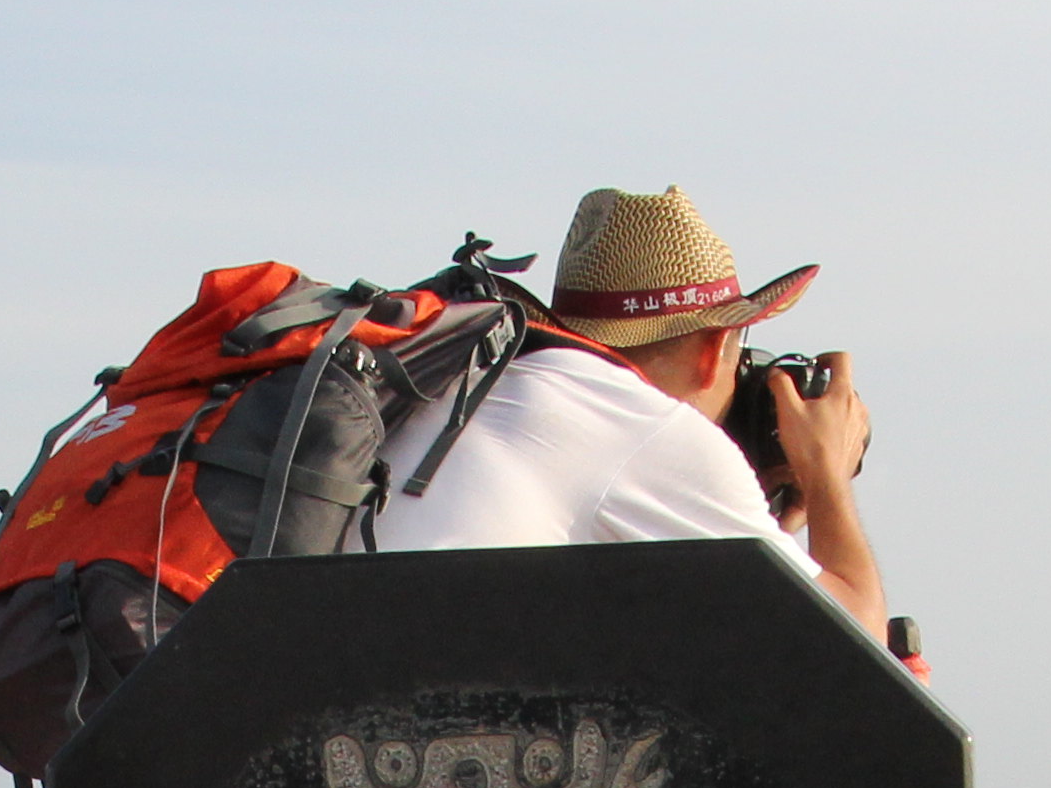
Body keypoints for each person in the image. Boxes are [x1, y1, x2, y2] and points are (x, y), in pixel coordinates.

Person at [373, 184, 887, 638]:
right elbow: (856, 642)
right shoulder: (653, 434)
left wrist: (782, 529)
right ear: (715, 349)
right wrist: (826, 472)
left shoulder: (486, 385)